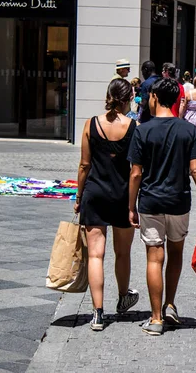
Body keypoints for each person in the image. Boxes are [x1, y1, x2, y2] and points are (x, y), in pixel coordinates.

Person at [128, 78, 196, 336]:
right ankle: (170, 304)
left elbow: (135, 174)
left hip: (151, 201)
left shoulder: (142, 130)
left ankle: (156, 319)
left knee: (155, 257)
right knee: (175, 254)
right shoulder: (187, 130)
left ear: (154, 97)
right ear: (177, 99)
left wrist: (131, 206)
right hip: (179, 201)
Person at [75, 79, 139, 331]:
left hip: (95, 194)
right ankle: (123, 298)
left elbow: (84, 165)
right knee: (122, 253)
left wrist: (79, 196)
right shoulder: (134, 126)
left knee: (95, 255)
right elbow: (137, 169)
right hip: (123, 196)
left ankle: (98, 314)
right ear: (128, 99)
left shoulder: (90, 124)